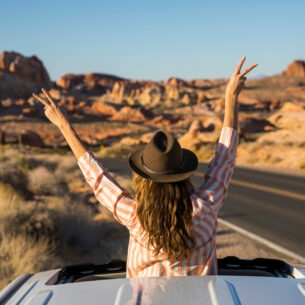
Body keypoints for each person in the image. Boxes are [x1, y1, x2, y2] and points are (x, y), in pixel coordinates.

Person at [32, 56, 258, 277]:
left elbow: (98, 177)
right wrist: (230, 97)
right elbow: (224, 157)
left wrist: (63, 125)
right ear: (184, 174)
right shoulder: (206, 206)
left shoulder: (134, 215)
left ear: (144, 178)